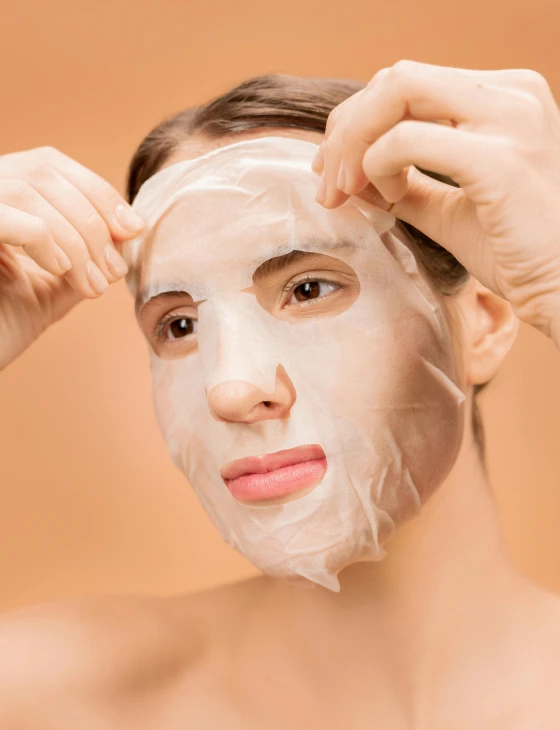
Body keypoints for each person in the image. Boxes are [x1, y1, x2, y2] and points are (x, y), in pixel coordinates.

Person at [1, 60, 560, 728]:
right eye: (179, 326)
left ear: (485, 320)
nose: (231, 389)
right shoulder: (51, 699)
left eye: (309, 288)